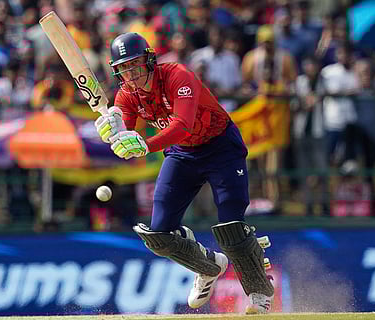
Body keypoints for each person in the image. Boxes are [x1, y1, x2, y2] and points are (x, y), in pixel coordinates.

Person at [94, 32, 274, 314]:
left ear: (149, 60)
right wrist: (112, 132)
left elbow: (183, 125)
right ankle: (208, 265)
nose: (131, 73)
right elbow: (127, 139)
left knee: (232, 226)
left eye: (135, 64)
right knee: (158, 234)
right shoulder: (126, 95)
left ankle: (259, 293)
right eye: (124, 68)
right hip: (182, 154)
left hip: (220, 147)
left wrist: (145, 145)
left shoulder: (178, 75)